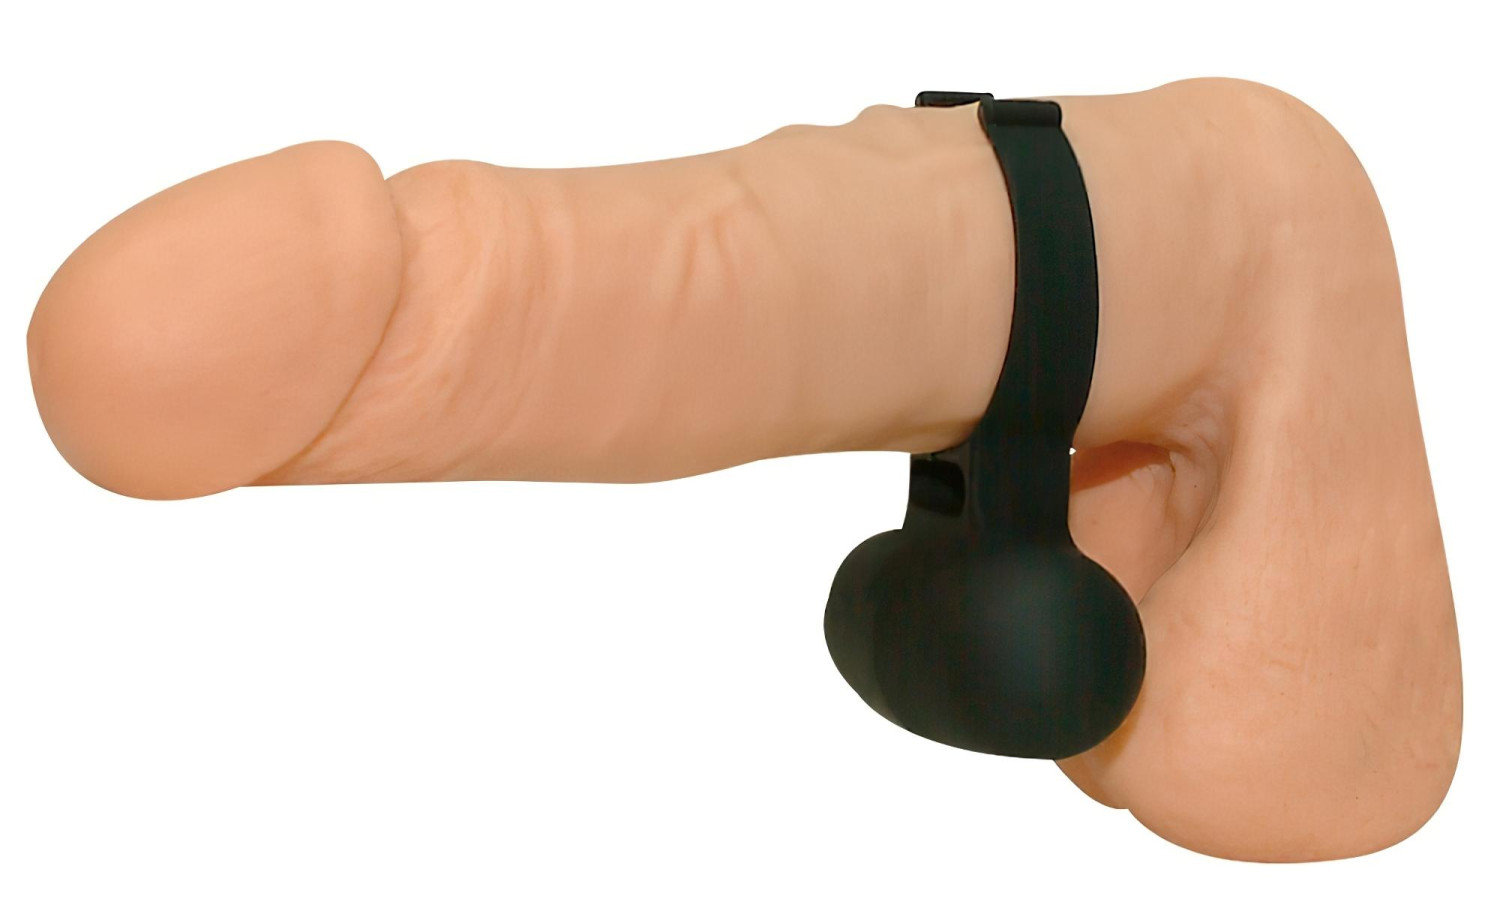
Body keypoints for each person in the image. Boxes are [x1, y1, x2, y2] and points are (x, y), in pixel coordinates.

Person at [24, 76, 1461, 862]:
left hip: (1232, 233)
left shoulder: (1293, 216)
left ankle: (387, 300)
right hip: (1213, 221)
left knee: (735, 270)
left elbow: (1295, 763)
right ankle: (388, 301)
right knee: (734, 272)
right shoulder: (1285, 199)